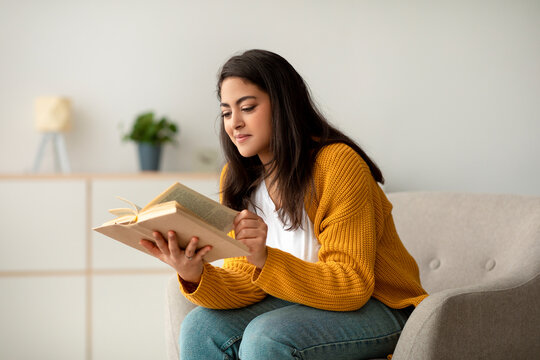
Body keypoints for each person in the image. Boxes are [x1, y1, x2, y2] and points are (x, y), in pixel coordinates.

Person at [140, 49, 428, 360]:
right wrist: (193, 272)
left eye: (247, 107)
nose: (234, 123)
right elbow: (245, 282)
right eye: (226, 113)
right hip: (299, 303)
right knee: (199, 327)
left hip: (380, 305)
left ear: (283, 105)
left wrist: (265, 258)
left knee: (268, 337)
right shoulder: (237, 178)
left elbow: (352, 286)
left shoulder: (338, 165)